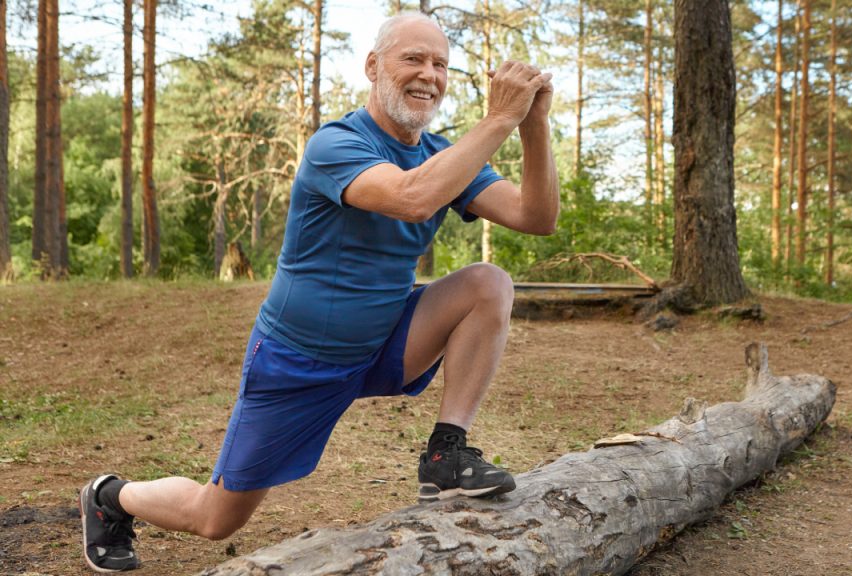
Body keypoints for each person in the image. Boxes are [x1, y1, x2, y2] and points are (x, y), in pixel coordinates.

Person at [77, 11, 558, 573]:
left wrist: (533, 123)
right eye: (413, 58)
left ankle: (445, 454)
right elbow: (411, 198)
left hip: (385, 343)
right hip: (299, 362)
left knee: (488, 283)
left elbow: (535, 216)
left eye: (440, 64)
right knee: (216, 519)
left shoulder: (443, 152)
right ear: (373, 66)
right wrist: (500, 117)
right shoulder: (337, 143)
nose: (429, 74)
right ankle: (110, 497)